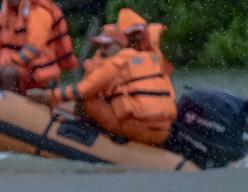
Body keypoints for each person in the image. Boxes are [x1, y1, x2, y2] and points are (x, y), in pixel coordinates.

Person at [26, 25, 177, 145]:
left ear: (120, 44)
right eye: (100, 46)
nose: (101, 50)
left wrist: (49, 96)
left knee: (87, 98)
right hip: (164, 131)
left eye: (106, 46)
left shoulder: (115, 63)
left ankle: (81, 132)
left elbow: (82, 90)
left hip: (139, 129)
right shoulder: (149, 58)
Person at [117, 7, 173, 75]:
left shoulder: (159, 40)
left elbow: (169, 66)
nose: (136, 37)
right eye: (132, 34)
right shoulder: (117, 53)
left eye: (137, 32)